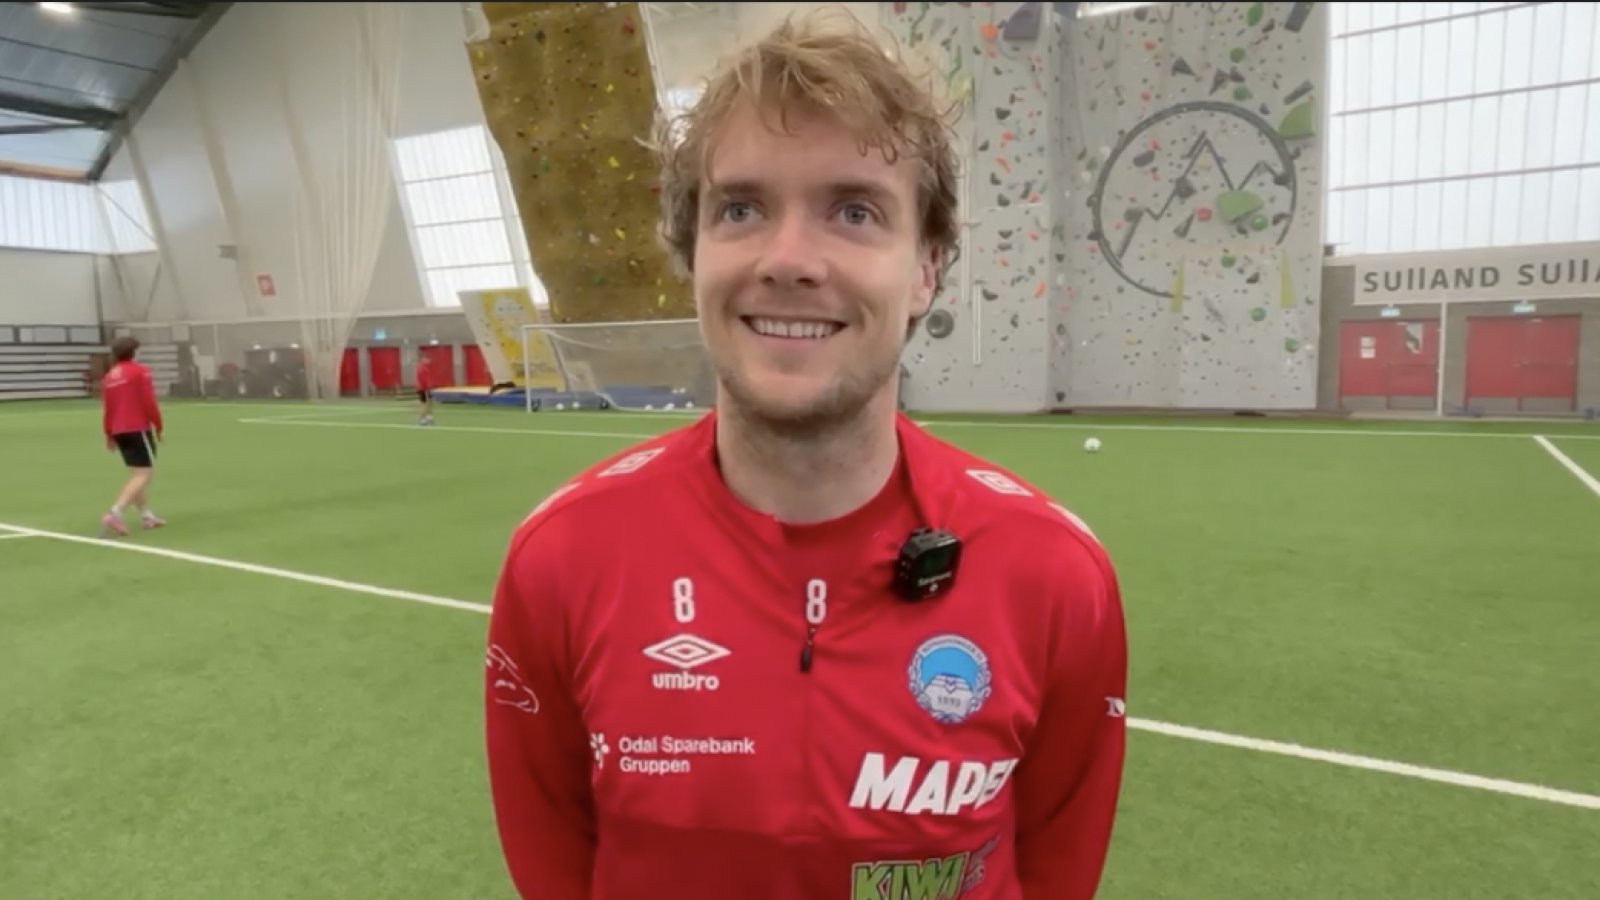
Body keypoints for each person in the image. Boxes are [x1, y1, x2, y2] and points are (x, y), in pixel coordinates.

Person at [484, 12, 1127, 900]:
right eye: (741, 209)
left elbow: (1057, 869)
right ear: (694, 252)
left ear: (927, 267)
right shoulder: (561, 560)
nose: (788, 260)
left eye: (854, 211)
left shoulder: (1054, 577)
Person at [99, 336, 165, 536]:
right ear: (134, 352)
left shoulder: (109, 376)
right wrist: (158, 425)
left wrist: (108, 433)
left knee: (136, 473)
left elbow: (108, 408)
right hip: (137, 427)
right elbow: (148, 401)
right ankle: (115, 513)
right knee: (144, 474)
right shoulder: (139, 371)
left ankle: (146, 516)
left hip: (119, 430)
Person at [415, 352, 436, 426]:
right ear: (423, 359)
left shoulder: (425, 367)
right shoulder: (421, 367)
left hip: (426, 388)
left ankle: (428, 417)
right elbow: (422, 379)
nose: (429, 361)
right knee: (424, 404)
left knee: (430, 402)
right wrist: (427, 387)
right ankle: (422, 419)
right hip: (422, 388)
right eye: (427, 359)